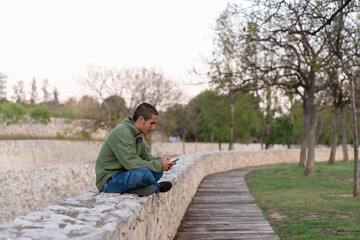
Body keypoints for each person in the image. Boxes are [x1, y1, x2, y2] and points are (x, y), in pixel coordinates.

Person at [95, 103, 175, 197]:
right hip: (110, 181)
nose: (153, 128)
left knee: (158, 171)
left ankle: (137, 189)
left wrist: (161, 162)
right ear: (141, 119)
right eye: (151, 123)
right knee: (144, 173)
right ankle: (157, 187)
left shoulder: (137, 134)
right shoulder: (122, 132)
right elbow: (131, 163)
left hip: (126, 174)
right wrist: (159, 165)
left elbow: (146, 157)